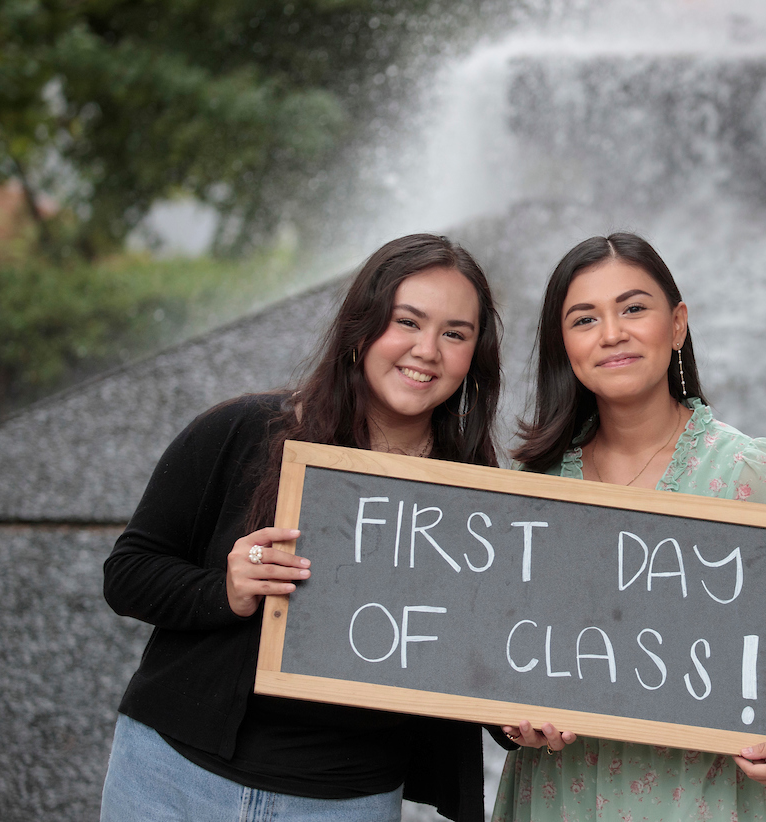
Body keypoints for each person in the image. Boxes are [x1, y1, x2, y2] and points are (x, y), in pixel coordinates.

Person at [100, 234, 510, 822]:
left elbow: (486, 650)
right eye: (407, 322)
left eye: (455, 333)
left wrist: (520, 723)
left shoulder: (478, 494)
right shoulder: (240, 430)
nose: (427, 350)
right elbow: (128, 573)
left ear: (476, 355)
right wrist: (225, 590)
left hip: (347, 802)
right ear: (360, 329)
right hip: (171, 778)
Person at [493, 233, 766, 822]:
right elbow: (495, 650)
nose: (612, 333)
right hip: (560, 795)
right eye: (585, 319)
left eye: (634, 308)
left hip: (705, 797)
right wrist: (512, 720)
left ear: (678, 323)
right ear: (564, 345)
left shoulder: (748, 475)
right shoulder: (530, 487)